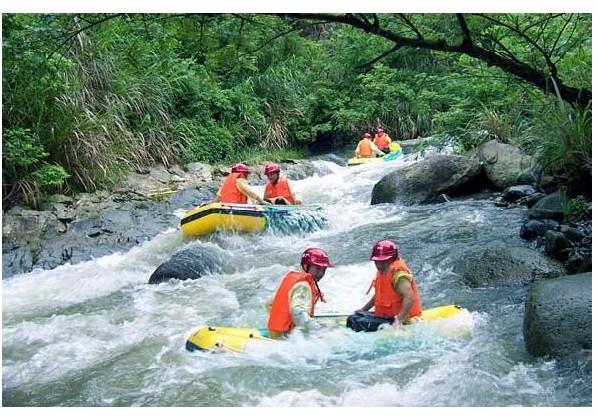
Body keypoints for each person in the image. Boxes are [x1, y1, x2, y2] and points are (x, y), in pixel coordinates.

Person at [347, 239, 422, 332]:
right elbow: (378, 295)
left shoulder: (398, 274)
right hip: (385, 318)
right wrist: (363, 309)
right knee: (354, 318)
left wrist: (398, 321)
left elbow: (409, 297)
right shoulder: (382, 271)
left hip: (405, 320)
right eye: (377, 261)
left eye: (383, 261)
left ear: (392, 259)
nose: (379, 265)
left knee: (354, 322)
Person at [267, 248, 332, 338]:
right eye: (317, 268)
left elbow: (270, 303)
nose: (321, 273)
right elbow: (297, 312)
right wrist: (318, 329)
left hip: (277, 334)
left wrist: (279, 322)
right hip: (287, 339)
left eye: (323, 270)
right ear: (306, 266)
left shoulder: (295, 281)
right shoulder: (303, 286)